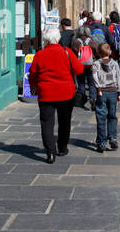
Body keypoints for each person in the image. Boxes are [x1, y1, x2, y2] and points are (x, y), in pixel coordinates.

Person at [28, 28, 84, 163]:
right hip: (65, 93)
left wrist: (32, 88)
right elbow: (79, 69)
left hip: (46, 94)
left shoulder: (40, 55)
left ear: (45, 40)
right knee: (64, 122)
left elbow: (33, 74)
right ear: (58, 39)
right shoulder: (67, 52)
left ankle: (50, 152)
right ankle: (62, 148)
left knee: (47, 123)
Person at [91, 41, 120, 151]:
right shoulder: (114, 63)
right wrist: (119, 92)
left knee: (101, 117)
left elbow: (94, 77)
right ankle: (113, 138)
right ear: (110, 52)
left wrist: (98, 88)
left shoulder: (96, 64)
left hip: (102, 92)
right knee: (112, 116)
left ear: (98, 53)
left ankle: (102, 142)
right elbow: (119, 77)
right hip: (113, 92)